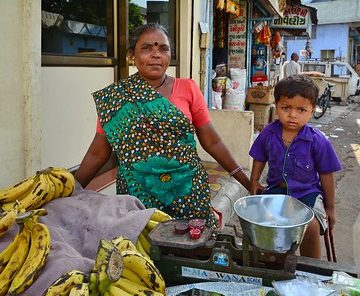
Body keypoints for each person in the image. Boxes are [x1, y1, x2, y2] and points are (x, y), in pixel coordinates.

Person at [75, 23, 250, 227]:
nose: (156, 54)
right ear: (132, 55)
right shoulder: (116, 99)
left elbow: (212, 142)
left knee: (192, 251)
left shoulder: (188, 88)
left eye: (163, 49)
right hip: (137, 197)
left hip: (188, 193)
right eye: (147, 48)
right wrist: (71, 190)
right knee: (140, 252)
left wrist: (246, 182)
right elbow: (98, 153)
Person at [249, 75, 341, 258]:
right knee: (270, 228)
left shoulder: (317, 141)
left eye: (301, 110)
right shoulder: (268, 133)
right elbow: (259, 157)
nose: (292, 115)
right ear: (276, 105)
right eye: (286, 108)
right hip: (276, 192)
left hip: (307, 194)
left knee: (310, 227)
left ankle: (310, 269)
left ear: (312, 109)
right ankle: (275, 264)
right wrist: (254, 180)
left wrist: (330, 208)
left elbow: (326, 175)